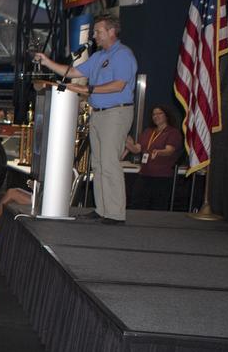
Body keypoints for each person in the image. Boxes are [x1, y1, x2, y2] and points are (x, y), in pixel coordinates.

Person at [34, 14, 136, 223]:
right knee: (98, 164)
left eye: (98, 31)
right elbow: (72, 71)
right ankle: (103, 209)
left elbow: (119, 85)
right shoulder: (99, 57)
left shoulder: (123, 55)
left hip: (116, 112)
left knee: (109, 163)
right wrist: (47, 61)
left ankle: (115, 213)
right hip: (99, 114)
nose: (94, 35)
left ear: (111, 32)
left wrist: (87, 88)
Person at [124, 104, 182, 210]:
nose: (156, 116)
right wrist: (125, 141)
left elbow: (169, 151)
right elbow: (137, 149)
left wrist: (159, 152)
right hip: (144, 174)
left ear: (167, 116)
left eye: (159, 113)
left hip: (162, 177)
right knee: (137, 202)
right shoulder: (148, 131)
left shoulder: (173, 132)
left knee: (158, 206)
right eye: (154, 114)